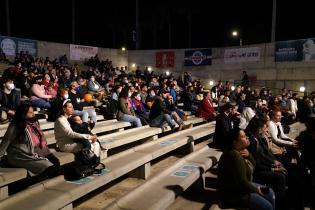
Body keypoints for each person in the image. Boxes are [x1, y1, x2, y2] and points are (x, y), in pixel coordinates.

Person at [217, 128, 275, 210]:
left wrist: (249, 156)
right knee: (267, 207)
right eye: (243, 136)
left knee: (270, 193)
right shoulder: (234, 155)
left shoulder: (241, 151)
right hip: (233, 195)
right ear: (235, 142)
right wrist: (256, 190)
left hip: (241, 188)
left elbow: (253, 165)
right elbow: (242, 182)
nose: (247, 137)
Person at [0, 103, 60, 178]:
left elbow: (40, 139)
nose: (33, 114)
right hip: (22, 155)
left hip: (37, 151)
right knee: (49, 167)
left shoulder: (34, 123)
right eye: (30, 113)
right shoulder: (15, 126)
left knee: (56, 162)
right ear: (23, 114)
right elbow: (6, 141)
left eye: (33, 112)